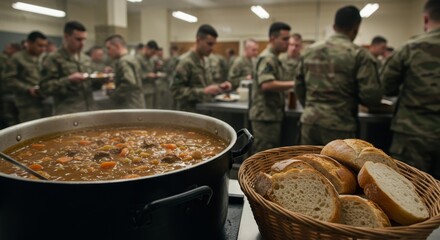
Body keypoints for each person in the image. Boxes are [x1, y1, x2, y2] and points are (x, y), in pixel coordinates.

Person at [295, 5, 382, 146]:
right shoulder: (359, 55)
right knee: (335, 167)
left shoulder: (310, 51)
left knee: (307, 165)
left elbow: (299, 86)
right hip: (340, 126)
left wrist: (312, 107)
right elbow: (371, 97)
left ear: (334, 26)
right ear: (356, 28)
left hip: (309, 123)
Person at [381, 0, 440, 179]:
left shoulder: (411, 48)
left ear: (425, 18)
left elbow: (386, 86)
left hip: (413, 132)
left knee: (411, 190)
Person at [249, 22, 293, 152]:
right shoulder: (268, 58)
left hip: (271, 114)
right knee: (264, 156)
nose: (288, 42)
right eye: (285, 39)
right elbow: (266, 84)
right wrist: (294, 84)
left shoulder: (274, 57)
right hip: (265, 116)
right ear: (273, 39)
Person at [171, 24, 232, 112]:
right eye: (209, 44)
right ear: (198, 40)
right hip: (190, 114)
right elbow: (175, 91)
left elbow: (205, 85)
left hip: (205, 110)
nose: (212, 48)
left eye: (214, 44)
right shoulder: (186, 61)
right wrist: (203, 91)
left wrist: (219, 87)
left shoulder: (205, 60)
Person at [40, 20, 95, 115]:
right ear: (66, 37)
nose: (82, 43)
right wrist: (68, 80)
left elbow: (91, 84)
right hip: (68, 112)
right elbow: (45, 88)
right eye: (78, 39)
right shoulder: (54, 58)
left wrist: (101, 80)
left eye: (84, 39)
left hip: (89, 109)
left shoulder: (86, 58)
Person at [3, 31, 48, 123]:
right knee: (33, 131)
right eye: (39, 45)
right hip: (28, 104)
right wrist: (27, 88)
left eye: (44, 46)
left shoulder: (43, 58)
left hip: (45, 101)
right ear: (29, 43)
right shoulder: (17, 58)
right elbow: (8, 80)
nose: (43, 49)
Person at [105, 35, 145, 109]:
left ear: (117, 46)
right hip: (136, 102)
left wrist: (113, 95)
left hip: (129, 105)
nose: (108, 52)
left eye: (109, 48)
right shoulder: (131, 58)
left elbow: (128, 83)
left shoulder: (124, 61)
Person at [0, 42, 22, 128]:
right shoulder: (3, 59)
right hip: (5, 93)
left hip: (11, 93)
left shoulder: (11, 59)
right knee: (8, 119)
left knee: (11, 118)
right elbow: (6, 78)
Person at [137, 40, 159, 108]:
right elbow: (136, 75)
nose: (152, 55)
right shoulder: (138, 59)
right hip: (142, 90)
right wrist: (146, 75)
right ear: (146, 48)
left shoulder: (151, 59)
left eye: (154, 53)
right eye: (152, 52)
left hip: (151, 89)